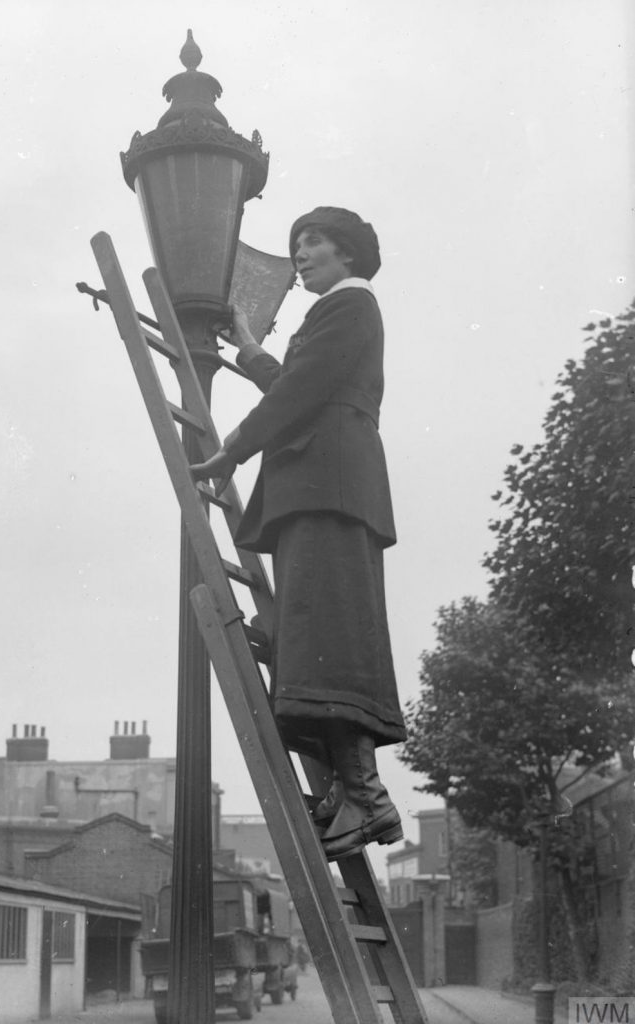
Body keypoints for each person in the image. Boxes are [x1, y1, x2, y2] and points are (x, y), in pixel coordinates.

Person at [191, 206, 406, 860]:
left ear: (348, 253)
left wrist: (233, 448)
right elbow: (298, 384)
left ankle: (364, 793)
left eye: (312, 243)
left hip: (327, 487)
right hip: (322, 486)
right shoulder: (337, 313)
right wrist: (249, 348)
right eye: (297, 245)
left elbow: (300, 392)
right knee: (319, 634)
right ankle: (353, 790)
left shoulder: (351, 305)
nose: (300, 255)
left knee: (328, 635)